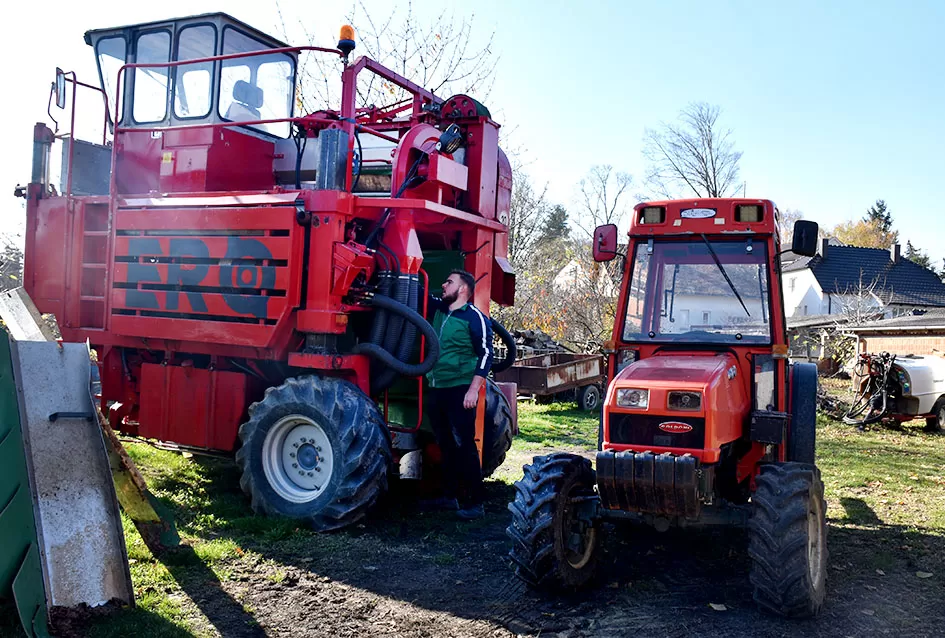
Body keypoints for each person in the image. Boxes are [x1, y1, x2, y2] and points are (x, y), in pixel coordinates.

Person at [425, 269, 493, 520]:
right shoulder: (439, 310)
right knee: (444, 443)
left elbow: (486, 355)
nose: (443, 285)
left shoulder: (474, 317)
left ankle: (476, 502)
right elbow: (417, 293)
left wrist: (473, 390)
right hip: (436, 387)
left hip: (460, 389)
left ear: (463, 289)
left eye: (449, 281)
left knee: (465, 444)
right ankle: (449, 496)